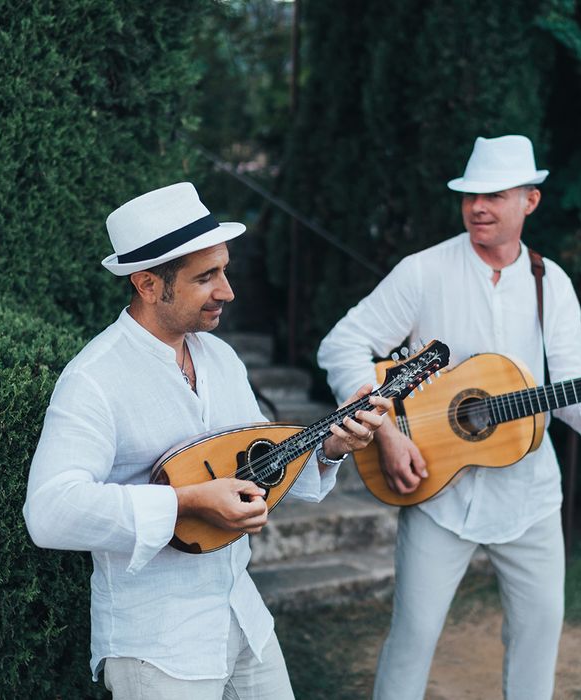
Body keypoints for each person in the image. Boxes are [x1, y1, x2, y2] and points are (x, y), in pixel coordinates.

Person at [23, 182, 390, 700]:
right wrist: (187, 501)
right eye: (206, 277)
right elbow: (49, 511)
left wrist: (330, 447)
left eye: (225, 269)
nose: (228, 290)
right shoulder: (94, 379)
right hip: (158, 645)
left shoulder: (221, 358)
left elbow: (259, 463)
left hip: (243, 616)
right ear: (148, 284)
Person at [317, 135, 581, 700]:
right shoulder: (423, 272)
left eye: (494, 195)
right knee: (413, 637)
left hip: (531, 497)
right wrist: (389, 434)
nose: (478, 207)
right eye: (470, 195)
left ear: (531, 201)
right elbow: (341, 345)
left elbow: (572, 389)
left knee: (538, 635)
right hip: (436, 491)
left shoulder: (553, 284)